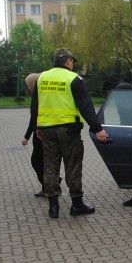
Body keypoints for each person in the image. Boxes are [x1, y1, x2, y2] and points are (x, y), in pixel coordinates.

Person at [31, 47, 109, 218]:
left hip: (46, 130)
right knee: (72, 166)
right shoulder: (74, 78)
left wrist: (37, 127)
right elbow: (86, 106)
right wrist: (98, 129)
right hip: (68, 130)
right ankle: (76, 204)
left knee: (50, 166)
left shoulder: (41, 78)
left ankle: (53, 207)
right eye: (72, 61)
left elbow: (35, 105)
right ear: (68, 61)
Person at [102, 74, 132, 207]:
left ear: (111, 88)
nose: (108, 95)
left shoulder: (121, 90)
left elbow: (125, 113)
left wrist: (124, 132)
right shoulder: (125, 88)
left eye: (107, 92)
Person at [21, 73, 45, 197]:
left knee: (37, 161)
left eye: (28, 84)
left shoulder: (39, 96)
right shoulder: (42, 95)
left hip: (40, 133)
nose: (28, 87)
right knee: (42, 161)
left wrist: (26, 136)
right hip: (42, 131)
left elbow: (33, 119)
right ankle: (50, 185)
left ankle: (49, 186)